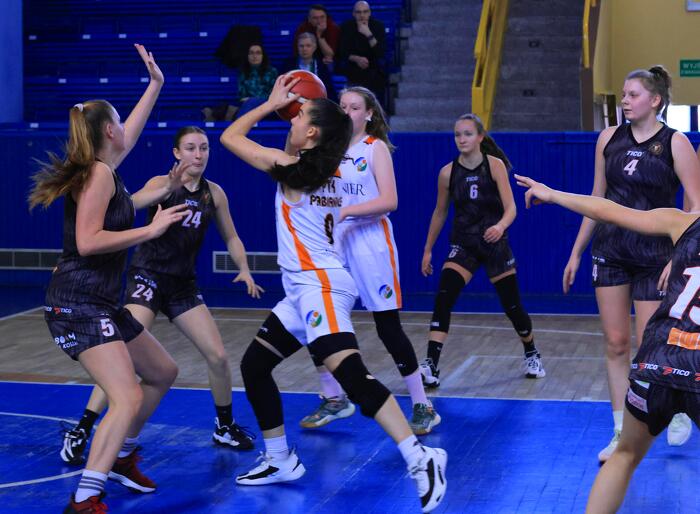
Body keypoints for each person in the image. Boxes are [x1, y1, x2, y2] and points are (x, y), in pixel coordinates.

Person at [219, 74, 447, 513]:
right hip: (306, 288)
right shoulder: (327, 168)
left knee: (353, 378)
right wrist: (301, 113)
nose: (291, 116)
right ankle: (280, 459)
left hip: (319, 285)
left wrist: (267, 104)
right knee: (255, 365)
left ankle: (421, 457)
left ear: (312, 133)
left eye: (298, 114)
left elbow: (230, 137)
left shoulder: (292, 170)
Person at [28, 45, 188, 514]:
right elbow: (88, 241)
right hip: (76, 303)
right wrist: (152, 229)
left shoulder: (106, 171)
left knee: (162, 372)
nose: (126, 130)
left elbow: (120, 200)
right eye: (119, 122)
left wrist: (156, 84)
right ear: (108, 132)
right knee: (126, 395)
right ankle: (85, 497)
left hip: (98, 301)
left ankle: (119, 455)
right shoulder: (98, 173)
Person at [59, 126, 264, 468]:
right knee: (121, 356)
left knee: (218, 356)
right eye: (191, 148)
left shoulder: (214, 193)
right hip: (148, 278)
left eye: (204, 148)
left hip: (182, 285)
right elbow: (128, 206)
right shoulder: (161, 184)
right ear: (176, 153)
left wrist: (243, 268)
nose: (198, 154)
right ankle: (82, 428)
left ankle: (224, 426)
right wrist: (161, 192)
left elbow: (231, 236)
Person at [516, 173, 700, 514]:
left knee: (625, 455)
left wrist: (553, 193)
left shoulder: (683, 223)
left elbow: (608, 210)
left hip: (656, 364)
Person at [562, 66, 700, 462]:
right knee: (616, 342)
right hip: (610, 252)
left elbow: (695, 206)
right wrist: (575, 252)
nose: (624, 100)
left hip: (656, 257)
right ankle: (620, 431)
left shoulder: (675, 142)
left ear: (655, 100)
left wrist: (680, 256)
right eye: (623, 94)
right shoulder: (608, 138)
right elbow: (597, 199)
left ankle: (677, 409)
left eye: (633, 94)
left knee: (653, 347)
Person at [297, 86, 440, 435]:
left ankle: (422, 404)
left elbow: (390, 201)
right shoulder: (327, 149)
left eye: (354, 107)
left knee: (387, 327)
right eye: (342, 106)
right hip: (335, 245)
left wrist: (347, 212)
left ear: (369, 113)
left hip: (371, 244)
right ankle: (333, 397)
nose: (347, 112)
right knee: (318, 318)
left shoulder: (375, 148)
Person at [419, 114, 545, 389]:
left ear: (480, 137)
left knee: (512, 306)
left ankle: (531, 352)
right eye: (457, 134)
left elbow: (511, 208)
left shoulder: (494, 165)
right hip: (464, 244)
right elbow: (440, 212)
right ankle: (431, 364)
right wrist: (428, 249)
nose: (461, 139)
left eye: (467, 134)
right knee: (444, 297)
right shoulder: (447, 173)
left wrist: (500, 226)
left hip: (494, 243)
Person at [203, 43, 278, 122]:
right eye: (251, 53)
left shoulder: (272, 72)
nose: (254, 56)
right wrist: (247, 100)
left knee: (251, 102)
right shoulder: (243, 72)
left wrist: (254, 99)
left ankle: (233, 120)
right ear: (247, 56)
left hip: (266, 105)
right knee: (247, 104)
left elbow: (274, 94)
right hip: (247, 105)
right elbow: (241, 95)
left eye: (258, 53)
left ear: (263, 56)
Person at [337, 1, 386, 105]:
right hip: (353, 69)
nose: (362, 15)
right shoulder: (346, 27)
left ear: (370, 13)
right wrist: (356, 59)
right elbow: (341, 52)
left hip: (373, 69)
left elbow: (380, 53)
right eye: (358, 12)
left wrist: (368, 34)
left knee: (377, 75)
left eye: (365, 12)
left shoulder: (378, 26)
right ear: (353, 14)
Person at [283, 32, 337, 102]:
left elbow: (329, 90)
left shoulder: (321, 66)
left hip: (317, 101)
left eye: (308, 46)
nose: (304, 49)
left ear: (314, 47)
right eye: (301, 46)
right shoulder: (288, 65)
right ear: (297, 47)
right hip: (294, 100)